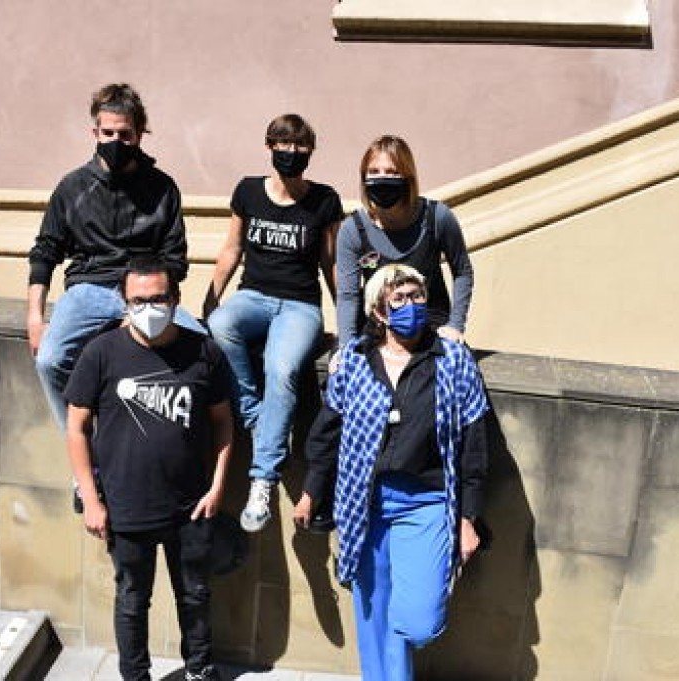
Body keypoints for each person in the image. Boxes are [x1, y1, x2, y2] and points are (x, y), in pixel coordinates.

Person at [293, 264, 491, 681]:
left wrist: (468, 518)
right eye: (398, 299)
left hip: (427, 502)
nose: (410, 305)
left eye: (416, 296)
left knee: (418, 620)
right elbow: (328, 431)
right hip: (363, 501)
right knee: (373, 610)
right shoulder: (354, 361)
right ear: (379, 311)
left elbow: (474, 444)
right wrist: (311, 491)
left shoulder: (453, 359)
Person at [64, 256, 233, 681]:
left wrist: (217, 487)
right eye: (138, 300)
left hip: (191, 506)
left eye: (158, 298)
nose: (149, 308)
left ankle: (199, 669)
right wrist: (91, 500)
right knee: (132, 599)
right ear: (125, 301)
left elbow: (223, 422)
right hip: (126, 506)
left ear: (175, 297)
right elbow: (76, 428)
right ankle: (135, 676)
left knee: (194, 594)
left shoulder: (204, 352)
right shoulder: (101, 353)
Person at [28, 83, 197, 432]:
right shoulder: (72, 187)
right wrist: (34, 317)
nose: (116, 141)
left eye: (125, 134)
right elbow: (45, 251)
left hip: (147, 291)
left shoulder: (163, 188)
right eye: (108, 133)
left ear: (140, 134)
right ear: (95, 132)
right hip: (88, 289)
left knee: (202, 347)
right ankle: (81, 446)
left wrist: (143, 304)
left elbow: (175, 259)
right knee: (49, 360)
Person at [203, 114, 343, 533]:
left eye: (300, 147)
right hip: (253, 296)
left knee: (281, 369)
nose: (291, 153)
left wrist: (348, 325)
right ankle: (255, 416)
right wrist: (210, 302)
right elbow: (232, 249)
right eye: (283, 144)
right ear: (269, 147)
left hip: (300, 306)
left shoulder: (324, 200)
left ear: (310, 152)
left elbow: (331, 264)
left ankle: (262, 478)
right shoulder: (248, 192)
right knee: (221, 326)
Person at [335, 135, 474, 348]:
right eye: (374, 172)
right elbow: (348, 295)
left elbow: (463, 271)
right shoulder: (352, 229)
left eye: (391, 172)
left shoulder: (437, 217)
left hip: (430, 323)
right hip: (377, 325)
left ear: (408, 177)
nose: (382, 179)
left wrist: (455, 325)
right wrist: (345, 346)